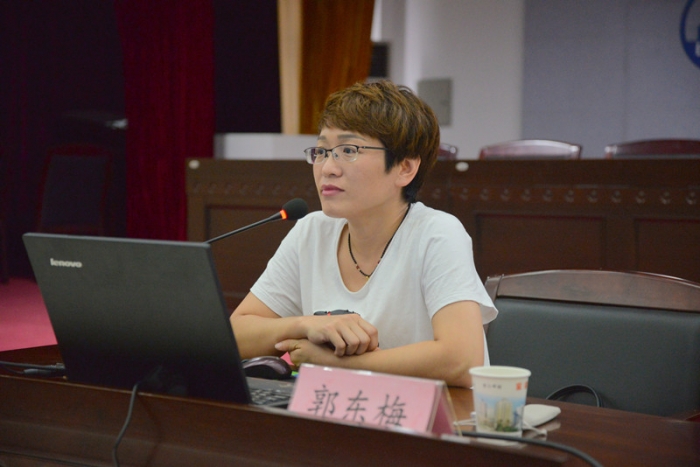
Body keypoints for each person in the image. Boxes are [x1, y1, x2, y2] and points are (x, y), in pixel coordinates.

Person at [230, 80, 497, 388]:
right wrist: (305, 324)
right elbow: (235, 334)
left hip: (435, 414)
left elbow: (463, 360)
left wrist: (337, 364)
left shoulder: (437, 234)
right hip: (338, 409)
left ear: (405, 168)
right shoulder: (311, 231)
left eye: (348, 150)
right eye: (321, 151)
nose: (327, 168)